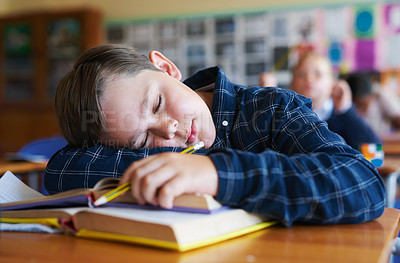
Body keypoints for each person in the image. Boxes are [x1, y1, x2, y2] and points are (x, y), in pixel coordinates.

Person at [45, 44, 385, 226]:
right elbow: (62, 169)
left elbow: (363, 185)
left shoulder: (272, 109)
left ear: (167, 68)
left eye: (158, 102)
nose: (168, 129)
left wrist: (216, 173)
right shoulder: (151, 140)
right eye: (142, 141)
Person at [289, 52, 381, 149]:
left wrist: (345, 110)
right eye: (302, 74)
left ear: (332, 82)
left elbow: (375, 152)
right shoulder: (286, 115)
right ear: (292, 83)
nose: (309, 78)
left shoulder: (342, 115)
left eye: (318, 74)